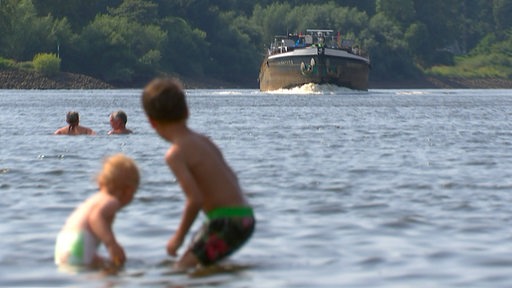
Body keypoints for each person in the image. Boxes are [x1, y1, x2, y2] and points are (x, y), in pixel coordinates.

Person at [141, 77, 255, 269]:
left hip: (227, 221)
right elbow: (232, 177)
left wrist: (178, 238)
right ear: (187, 111)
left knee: (181, 269)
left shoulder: (175, 154)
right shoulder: (204, 141)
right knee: (201, 267)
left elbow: (195, 200)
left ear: (152, 122)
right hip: (245, 216)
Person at [54, 154, 140, 269]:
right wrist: (111, 244)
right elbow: (95, 217)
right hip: (78, 245)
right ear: (129, 191)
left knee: (98, 268)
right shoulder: (111, 201)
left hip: (63, 243)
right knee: (113, 274)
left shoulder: (94, 200)